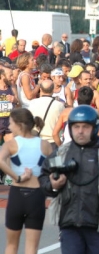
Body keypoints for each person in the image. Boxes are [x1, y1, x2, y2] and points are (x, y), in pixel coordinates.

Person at [39, 105, 99, 254]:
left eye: (85, 127)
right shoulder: (62, 152)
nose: (80, 131)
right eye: (76, 127)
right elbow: (43, 177)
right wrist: (52, 184)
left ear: (94, 127)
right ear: (70, 128)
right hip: (69, 223)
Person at [0, 108, 53, 254]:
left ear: (20, 125)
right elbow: (57, 166)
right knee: (31, 248)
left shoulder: (11, 144)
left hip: (17, 195)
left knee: (11, 246)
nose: (9, 127)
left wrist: (17, 177)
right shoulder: (44, 145)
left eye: (11, 124)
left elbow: (0, 160)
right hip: (36, 196)